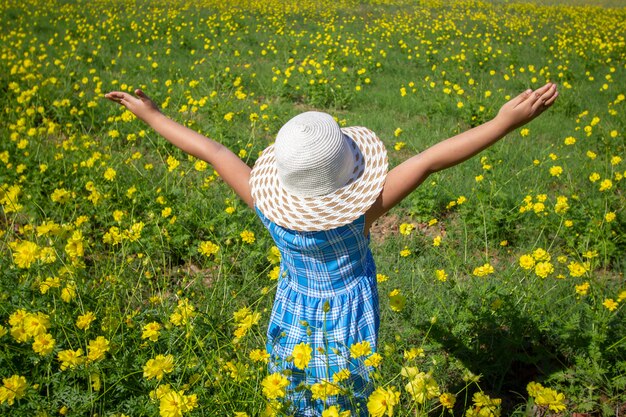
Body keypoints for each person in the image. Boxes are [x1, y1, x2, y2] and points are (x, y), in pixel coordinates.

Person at [105, 82, 558, 416]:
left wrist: (150, 114)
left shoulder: (265, 208)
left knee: (298, 391)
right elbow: (429, 161)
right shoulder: (360, 217)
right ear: (349, 179)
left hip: (294, 309)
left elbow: (214, 151)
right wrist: (503, 122)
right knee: (347, 395)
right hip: (347, 314)